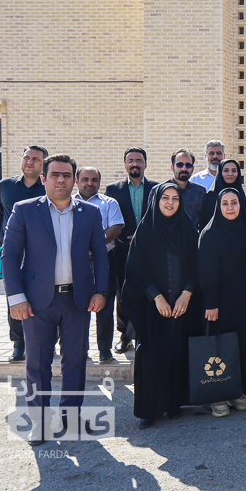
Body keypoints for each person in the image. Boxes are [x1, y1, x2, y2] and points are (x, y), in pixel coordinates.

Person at [1, 154, 109, 446]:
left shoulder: (90, 212)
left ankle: (70, 419)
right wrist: (16, 298)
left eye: (66, 175)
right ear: (44, 178)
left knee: (75, 362)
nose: (61, 180)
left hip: (77, 300)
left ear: (74, 180)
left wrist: (100, 291)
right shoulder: (24, 210)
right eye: (55, 175)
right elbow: (9, 255)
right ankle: (39, 422)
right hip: (36, 303)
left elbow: (100, 254)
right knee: (37, 364)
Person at [121, 183, 198, 429]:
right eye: (165, 197)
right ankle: (150, 408)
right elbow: (135, 268)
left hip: (182, 306)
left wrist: (187, 293)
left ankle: (174, 403)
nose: (170, 203)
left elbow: (198, 264)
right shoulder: (146, 230)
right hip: (153, 306)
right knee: (152, 355)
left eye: (175, 198)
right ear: (156, 201)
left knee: (178, 351)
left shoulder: (188, 229)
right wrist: (156, 297)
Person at [198, 187, 246, 418]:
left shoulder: (245, 231)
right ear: (218, 206)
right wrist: (211, 302)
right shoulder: (210, 234)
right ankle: (217, 395)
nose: (230, 207)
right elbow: (206, 272)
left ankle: (235, 391)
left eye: (234, 203)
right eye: (225, 203)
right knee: (219, 347)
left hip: (243, 301)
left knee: (239, 345)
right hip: (220, 303)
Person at [0, 144, 48, 362]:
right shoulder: (5, 186)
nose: (29, 162)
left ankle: (45, 341)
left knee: (44, 297)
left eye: (35, 159)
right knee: (14, 297)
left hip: (43, 255)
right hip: (13, 255)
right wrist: (4, 243)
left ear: (43, 164)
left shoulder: (48, 187)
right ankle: (18, 343)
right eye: (27, 157)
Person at [105, 147, 159, 355]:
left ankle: (147, 333)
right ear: (125, 164)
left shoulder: (157, 188)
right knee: (123, 292)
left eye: (139, 160)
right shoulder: (113, 190)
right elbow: (110, 219)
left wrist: (144, 237)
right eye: (130, 160)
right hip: (122, 249)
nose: (135, 164)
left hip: (150, 250)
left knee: (150, 290)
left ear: (145, 164)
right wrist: (123, 237)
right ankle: (125, 335)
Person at [76, 166, 125, 363]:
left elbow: (116, 228)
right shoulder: (67, 202)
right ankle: (79, 349)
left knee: (105, 306)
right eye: (85, 179)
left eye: (94, 180)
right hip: (75, 262)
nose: (90, 183)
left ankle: (104, 350)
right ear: (77, 181)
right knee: (77, 307)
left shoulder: (109, 203)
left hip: (104, 260)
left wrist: (94, 246)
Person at [198, 159, 246, 230]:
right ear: (220, 172)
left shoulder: (240, 194)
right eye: (226, 170)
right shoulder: (211, 196)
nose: (230, 174)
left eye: (234, 171)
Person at [165, 149, 207, 227]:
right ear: (172, 167)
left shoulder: (199, 192)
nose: (184, 169)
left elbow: (204, 222)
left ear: (193, 168)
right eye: (179, 165)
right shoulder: (159, 191)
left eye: (188, 165)